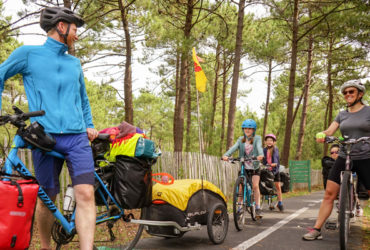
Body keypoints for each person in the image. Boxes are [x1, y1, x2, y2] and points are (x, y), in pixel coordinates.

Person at [0, 7, 98, 249]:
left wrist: (89, 124)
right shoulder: (28, 54)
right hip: (44, 137)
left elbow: (82, 99)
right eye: (75, 29)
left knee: (86, 194)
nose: (77, 35)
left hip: (76, 138)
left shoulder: (74, 63)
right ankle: (45, 246)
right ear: (61, 27)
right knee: (47, 199)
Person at [303, 79, 370, 241]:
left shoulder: (368, 111)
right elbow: (330, 130)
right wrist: (322, 135)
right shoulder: (342, 114)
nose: (347, 94)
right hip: (344, 154)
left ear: (360, 94)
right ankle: (317, 229)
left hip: (365, 155)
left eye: (351, 92)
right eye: (345, 92)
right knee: (329, 194)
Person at [222, 119, 264, 218]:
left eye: (250, 128)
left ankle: (257, 206)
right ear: (243, 129)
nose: (247, 130)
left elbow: (259, 147)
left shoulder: (257, 138)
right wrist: (226, 155)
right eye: (245, 128)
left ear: (254, 130)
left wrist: (260, 155)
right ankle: (240, 207)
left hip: (254, 166)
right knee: (240, 187)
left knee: (255, 186)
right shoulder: (241, 139)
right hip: (244, 166)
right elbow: (234, 147)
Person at [262, 133, 284, 212]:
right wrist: (263, 165)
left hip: (275, 170)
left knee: (277, 186)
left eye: (271, 140)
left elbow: (275, 159)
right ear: (265, 142)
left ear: (274, 142)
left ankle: (280, 202)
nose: (269, 142)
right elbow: (263, 160)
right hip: (267, 169)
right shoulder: (264, 150)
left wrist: (273, 164)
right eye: (267, 140)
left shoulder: (275, 149)